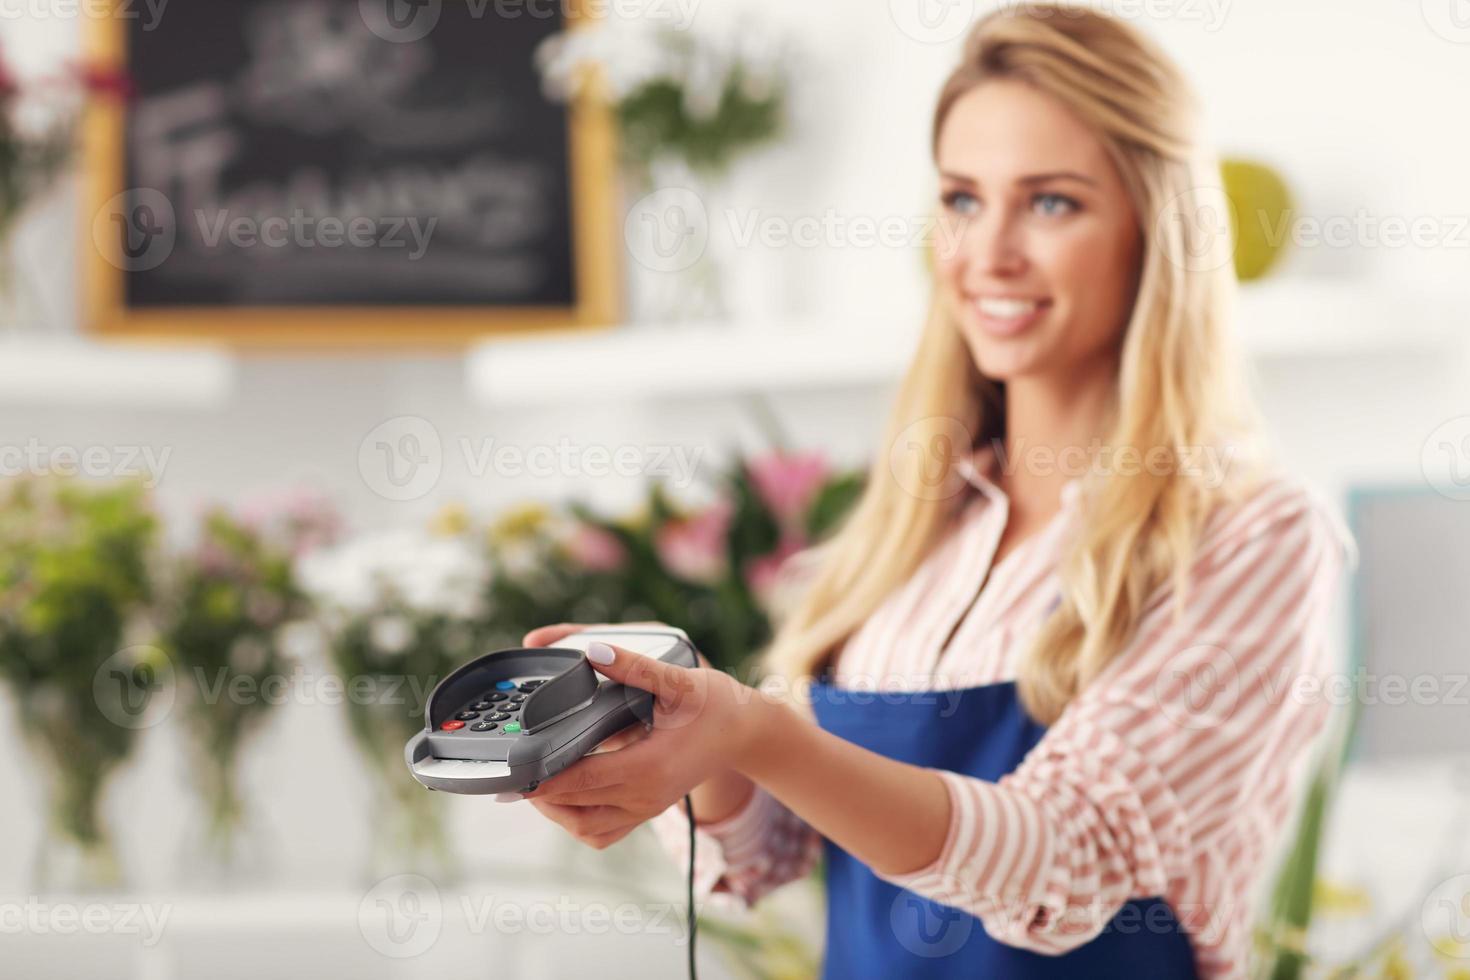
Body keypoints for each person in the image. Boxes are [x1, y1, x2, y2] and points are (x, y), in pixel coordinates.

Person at [508, 6, 1355, 977]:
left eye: (1051, 203)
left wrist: (758, 728)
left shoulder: (1252, 534)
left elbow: (1065, 862)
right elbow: (766, 850)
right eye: (961, 198)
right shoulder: (910, 525)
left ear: (1158, 231)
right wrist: (685, 737)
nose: (987, 253)